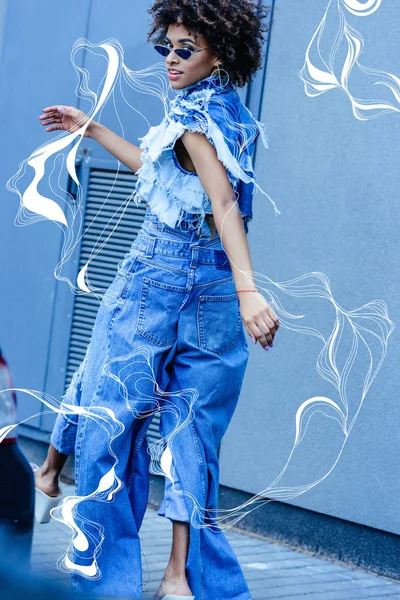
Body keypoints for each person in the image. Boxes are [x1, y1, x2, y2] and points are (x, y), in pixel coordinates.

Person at [34, 1, 279, 599]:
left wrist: (252, 293)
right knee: (193, 433)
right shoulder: (234, 116)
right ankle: (180, 579)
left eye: (185, 49)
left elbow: (223, 205)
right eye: (166, 47)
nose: (170, 59)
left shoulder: (195, 118)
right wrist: (91, 128)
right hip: (214, 290)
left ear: (221, 52)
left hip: (161, 276)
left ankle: (99, 566)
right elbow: (161, 173)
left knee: (113, 420)